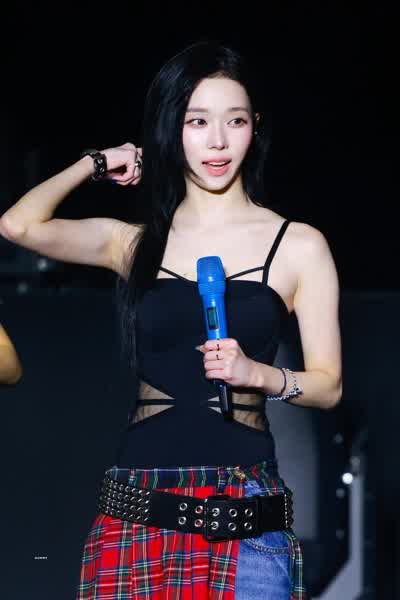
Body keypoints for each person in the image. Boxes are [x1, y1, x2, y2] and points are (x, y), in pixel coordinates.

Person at [0, 41, 342, 599]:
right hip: (136, 510)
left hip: (242, 513)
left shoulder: (299, 246)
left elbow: (329, 386)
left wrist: (260, 375)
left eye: (234, 121)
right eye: (197, 121)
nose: (217, 141)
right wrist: (96, 163)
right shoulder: (133, 244)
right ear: (171, 129)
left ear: (255, 127)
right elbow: (18, 226)